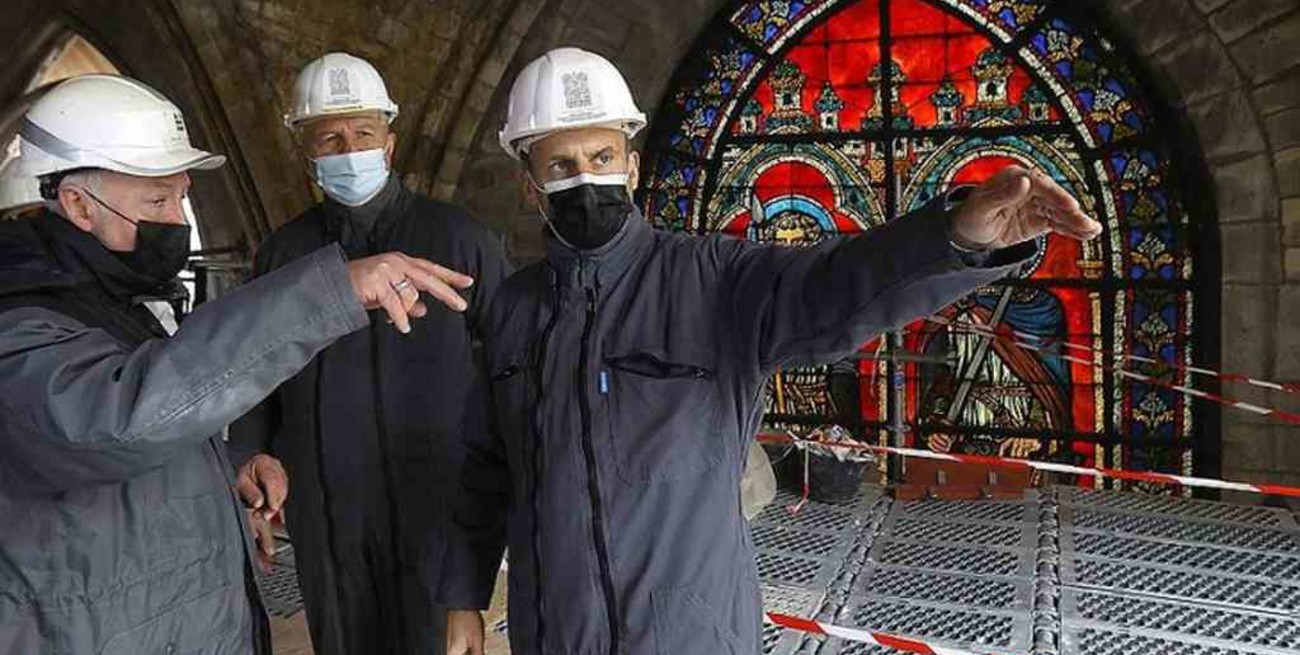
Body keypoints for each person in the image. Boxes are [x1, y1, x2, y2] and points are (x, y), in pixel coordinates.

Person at [438, 47, 1102, 655]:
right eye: (560, 165)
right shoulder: (513, 310)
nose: (585, 179)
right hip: (555, 631)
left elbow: (836, 285)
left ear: (632, 165)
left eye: (602, 157)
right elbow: (484, 470)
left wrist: (955, 236)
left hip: (689, 632)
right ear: (529, 185)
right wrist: (463, 597)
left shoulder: (712, 282)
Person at [0, 74, 474, 653]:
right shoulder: (21, 317)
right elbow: (122, 417)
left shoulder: (102, 301)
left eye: (180, 197)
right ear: (76, 203)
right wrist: (328, 293)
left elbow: (167, 431)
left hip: (421, 501)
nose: (177, 219)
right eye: (157, 201)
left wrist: (229, 477)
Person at [228, 52, 510, 655]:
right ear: (307, 153)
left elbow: (510, 366)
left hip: (436, 502)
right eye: (328, 137)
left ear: (389, 141)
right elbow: (258, 369)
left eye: (361, 132)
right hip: (330, 510)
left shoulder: (461, 239)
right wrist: (251, 451)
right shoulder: (284, 253)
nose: (347, 146)